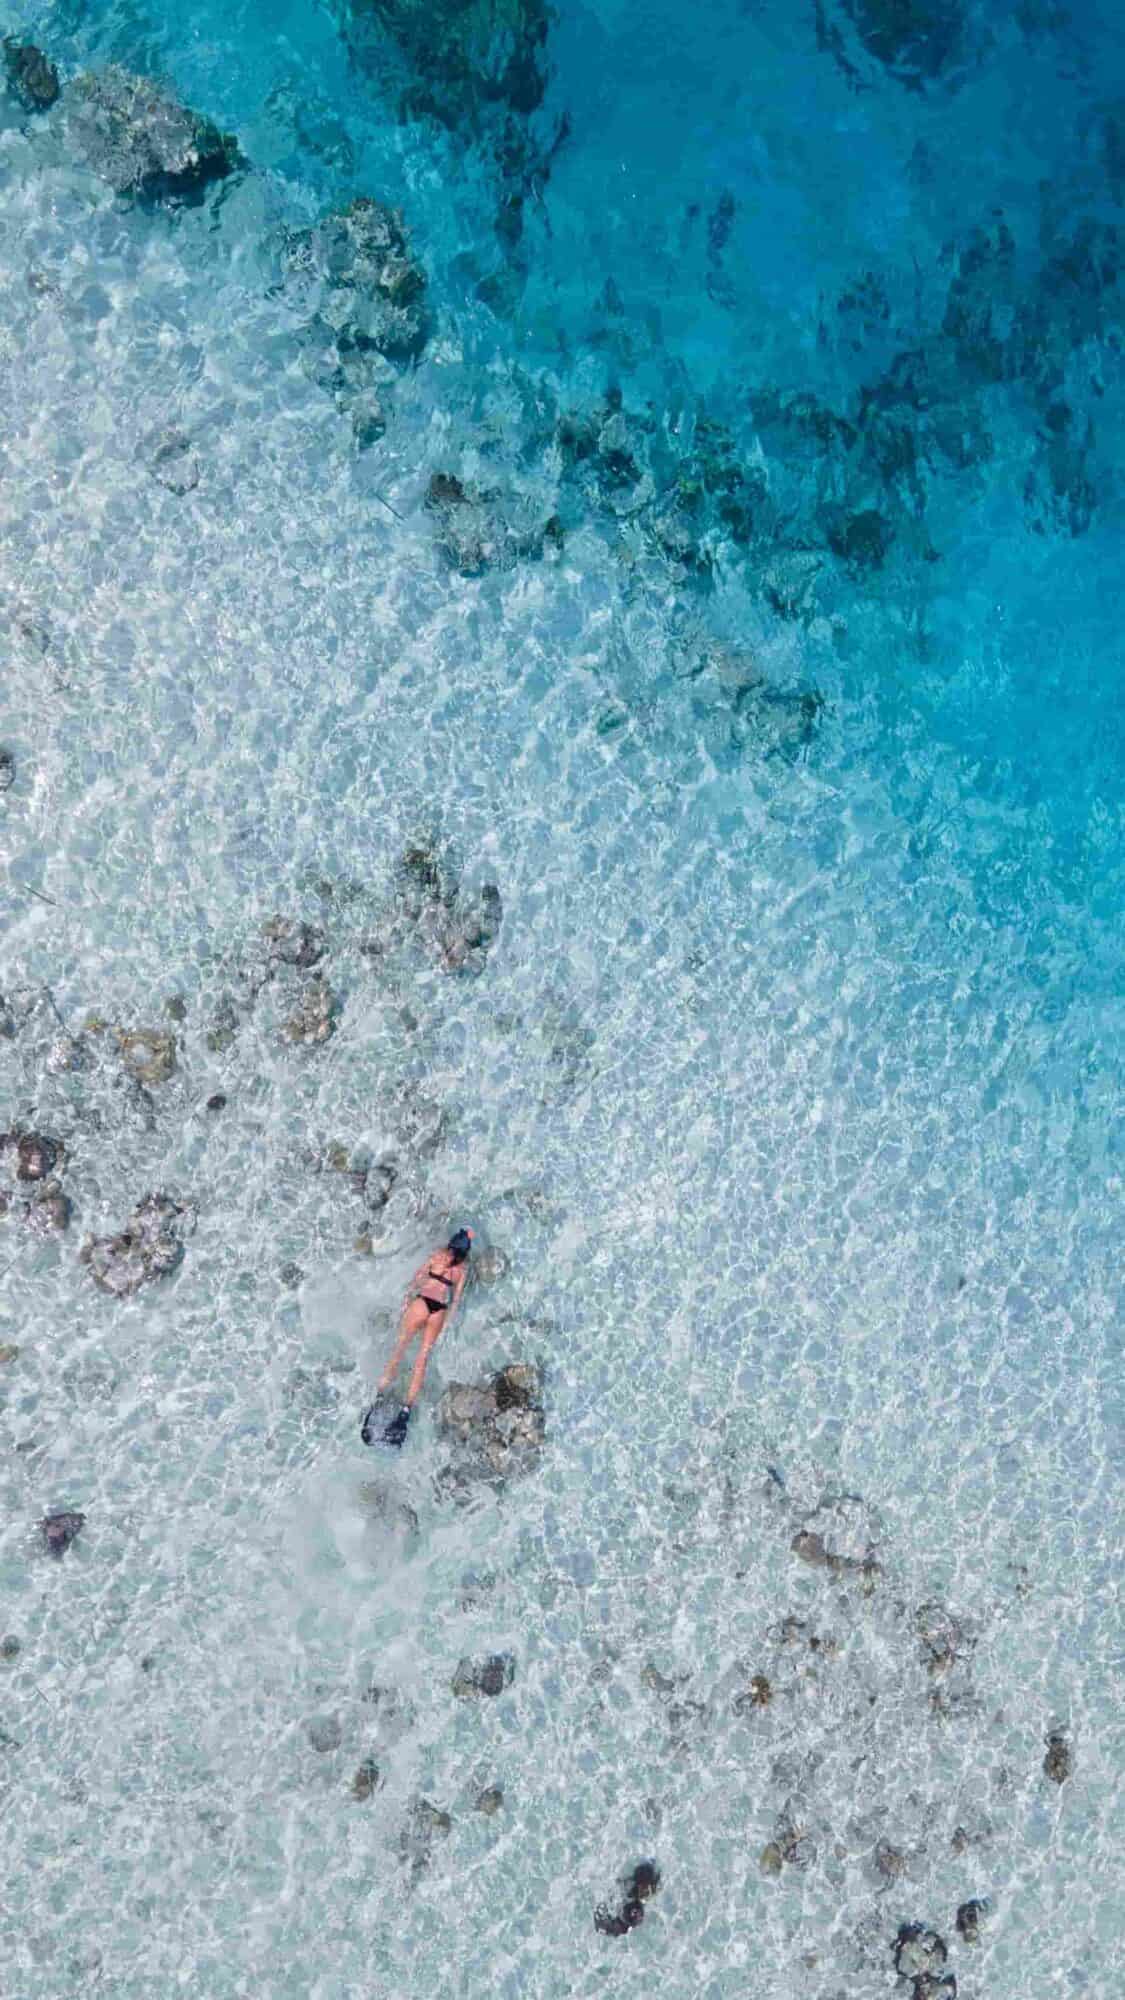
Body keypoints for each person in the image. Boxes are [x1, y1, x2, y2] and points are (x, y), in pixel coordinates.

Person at [361, 1227, 473, 1448]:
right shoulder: (462, 1269)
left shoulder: (436, 1254)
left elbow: (418, 1279)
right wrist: (448, 1321)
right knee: (422, 1357)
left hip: (422, 1303)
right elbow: (456, 1299)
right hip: (438, 1310)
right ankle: (406, 1410)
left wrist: (406, 1301)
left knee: (400, 1350)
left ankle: (379, 1398)